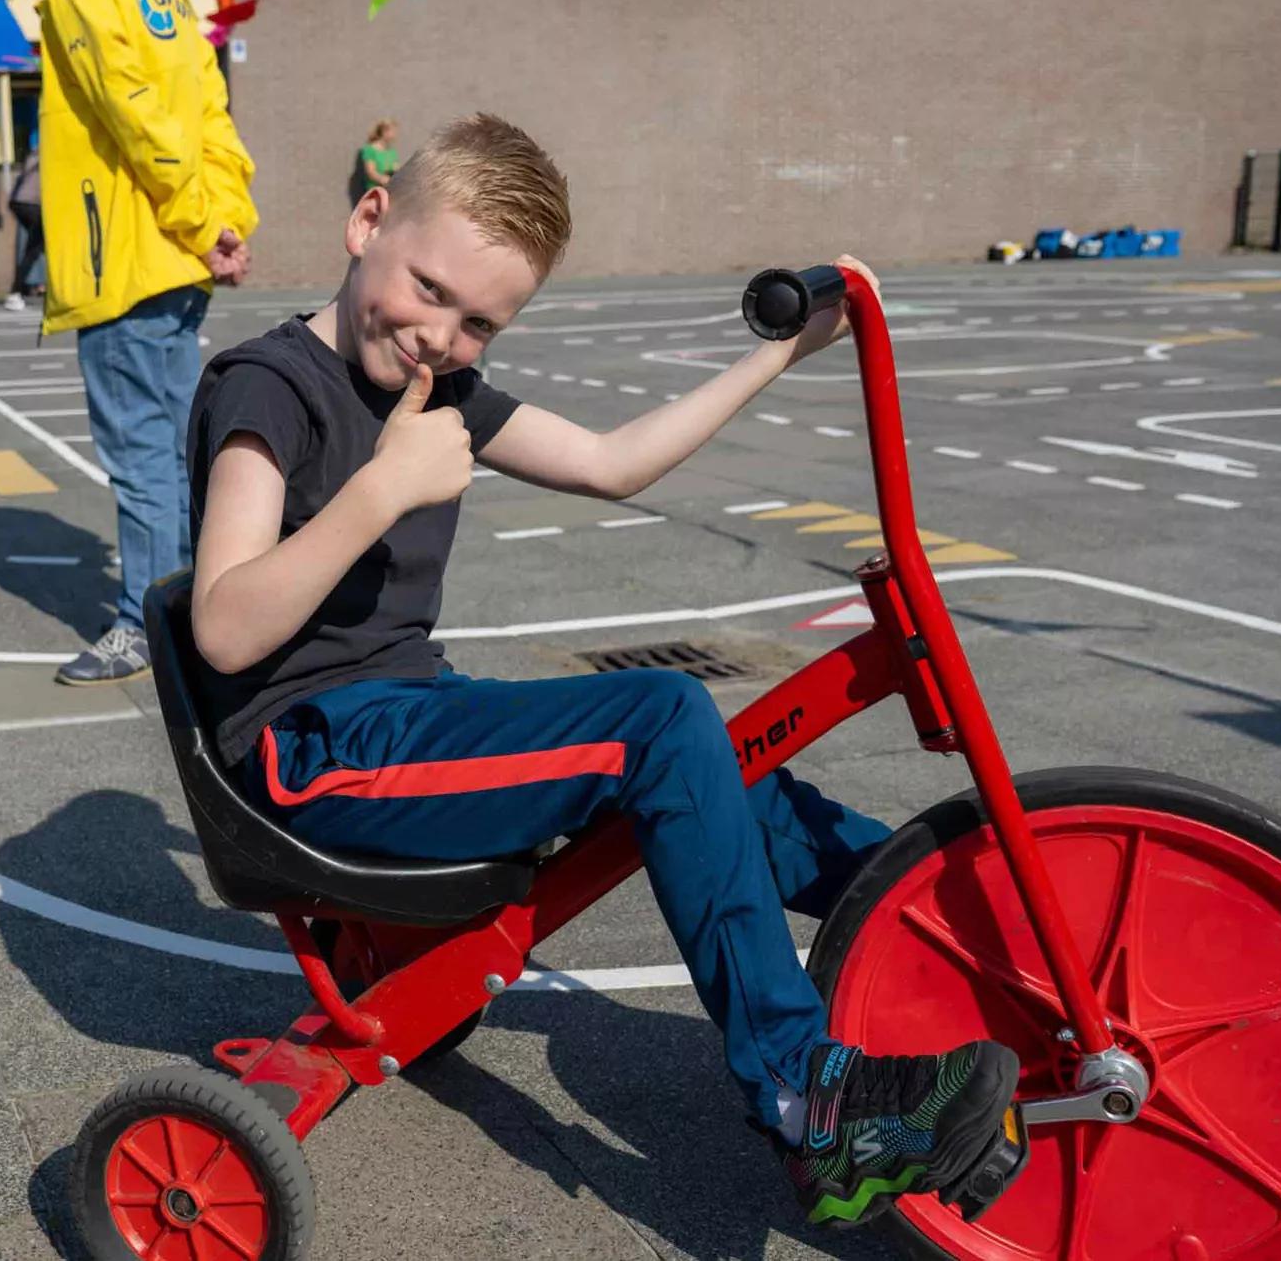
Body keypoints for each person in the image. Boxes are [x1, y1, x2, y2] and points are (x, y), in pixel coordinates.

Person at [185, 114, 1019, 1230]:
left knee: (716, 765)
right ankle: (800, 1089)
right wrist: (380, 490)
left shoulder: (437, 393)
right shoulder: (267, 386)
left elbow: (613, 462)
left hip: (407, 715)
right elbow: (227, 629)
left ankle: (957, 924)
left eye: (479, 321)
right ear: (367, 218)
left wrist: (779, 349)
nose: (440, 334)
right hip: (311, 751)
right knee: (663, 714)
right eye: (429, 289)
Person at [31, 0, 258, 684]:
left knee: (142, 460)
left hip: (123, 262)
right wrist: (224, 222)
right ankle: (205, 611)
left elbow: (135, 120)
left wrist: (203, 225)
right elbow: (211, 119)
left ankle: (147, 626)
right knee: (178, 451)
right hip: (176, 258)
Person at [5, 131, 44, 312]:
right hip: (31, 204)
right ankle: (16, 292)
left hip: (19, 202)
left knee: (36, 248)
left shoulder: (36, 152)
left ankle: (19, 290)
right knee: (35, 248)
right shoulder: (48, 152)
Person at [350, 118, 398, 206]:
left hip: (390, 192)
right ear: (384, 131)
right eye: (393, 131)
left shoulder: (392, 152)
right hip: (375, 193)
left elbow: (396, 169)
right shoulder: (369, 150)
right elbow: (371, 172)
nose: (395, 135)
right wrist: (385, 180)